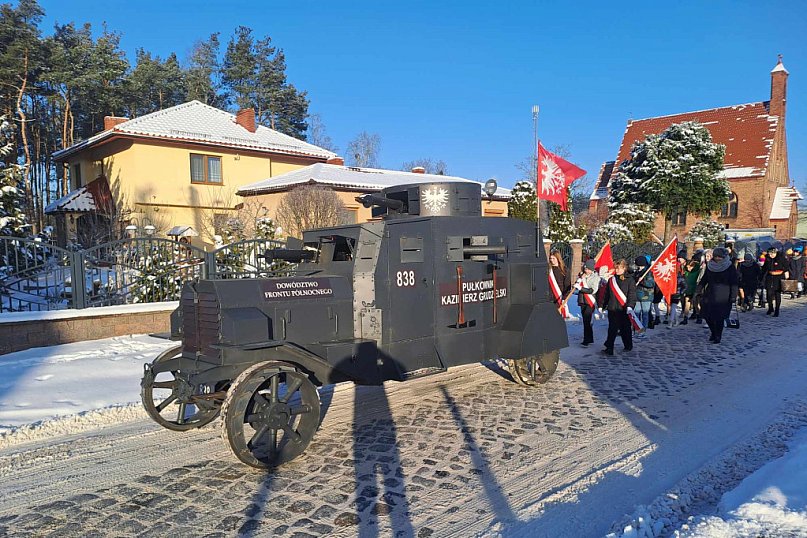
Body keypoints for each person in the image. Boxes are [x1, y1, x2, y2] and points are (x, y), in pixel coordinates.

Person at [695, 247, 738, 344]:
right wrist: (698, 289)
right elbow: (704, 279)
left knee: (719, 317)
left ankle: (718, 335)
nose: (717, 258)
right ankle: (713, 332)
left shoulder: (729, 266)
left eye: (720, 257)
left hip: (724, 295)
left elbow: (734, 282)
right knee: (707, 315)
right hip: (710, 293)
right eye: (716, 256)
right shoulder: (710, 265)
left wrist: (733, 295)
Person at [602, 259, 637, 356]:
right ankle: (609, 347)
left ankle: (628, 345)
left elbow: (632, 295)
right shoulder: (611, 280)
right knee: (612, 329)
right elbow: (607, 294)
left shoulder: (630, 280)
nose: (617, 270)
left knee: (625, 328)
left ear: (624, 268)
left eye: (619, 268)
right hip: (612, 308)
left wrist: (630, 306)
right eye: (616, 268)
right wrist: (602, 305)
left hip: (623, 309)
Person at [574, 259, 600, 347]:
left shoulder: (596, 277)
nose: (586, 270)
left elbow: (593, 290)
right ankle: (589, 338)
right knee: (585, 320)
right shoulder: (582, 275)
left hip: (590, 301)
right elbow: (577, 285)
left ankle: (586, 340)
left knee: (587, 320)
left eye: (588, 269)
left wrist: (581, 288)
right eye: (585, 268)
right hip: (582, 300)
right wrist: (578, 281)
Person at [762, 246, 789, 317]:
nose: (771, 255)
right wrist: (761, 276)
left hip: (778, 278)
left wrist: (781, 272)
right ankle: (770, 307)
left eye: (772, 254)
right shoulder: (767, 259)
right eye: (769, 254)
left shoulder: (781, 258)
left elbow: (786, 267)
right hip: (769, 278)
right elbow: (764, 268)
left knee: (777, 294)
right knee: (769, 294)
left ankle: (777, 310)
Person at [633, 256, 655, 334]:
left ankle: (644, 328)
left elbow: (651, 284)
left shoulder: (648, 272)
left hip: (646, 296)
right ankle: (637, 328)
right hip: (637, 295)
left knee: (645, 313)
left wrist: (643, 281)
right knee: (636, 313)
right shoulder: (636, 272)